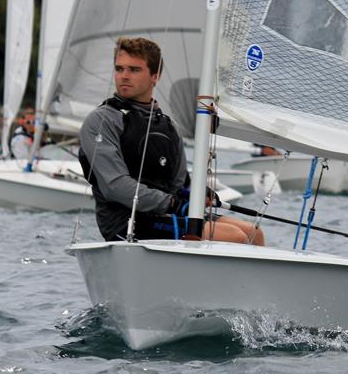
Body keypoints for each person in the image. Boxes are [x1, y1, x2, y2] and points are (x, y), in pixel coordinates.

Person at [78, 37, 264, 245]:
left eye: (134, 70)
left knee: (253, 232)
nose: (124, 76)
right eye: (119, 69)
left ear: (155, 76)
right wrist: (173, 204)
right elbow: (115, 186)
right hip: (128, 224)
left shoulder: (168, 126)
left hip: (166, 213)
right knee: (235, 238)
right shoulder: (102, 120)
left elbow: (179, 184)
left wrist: (197, 195)